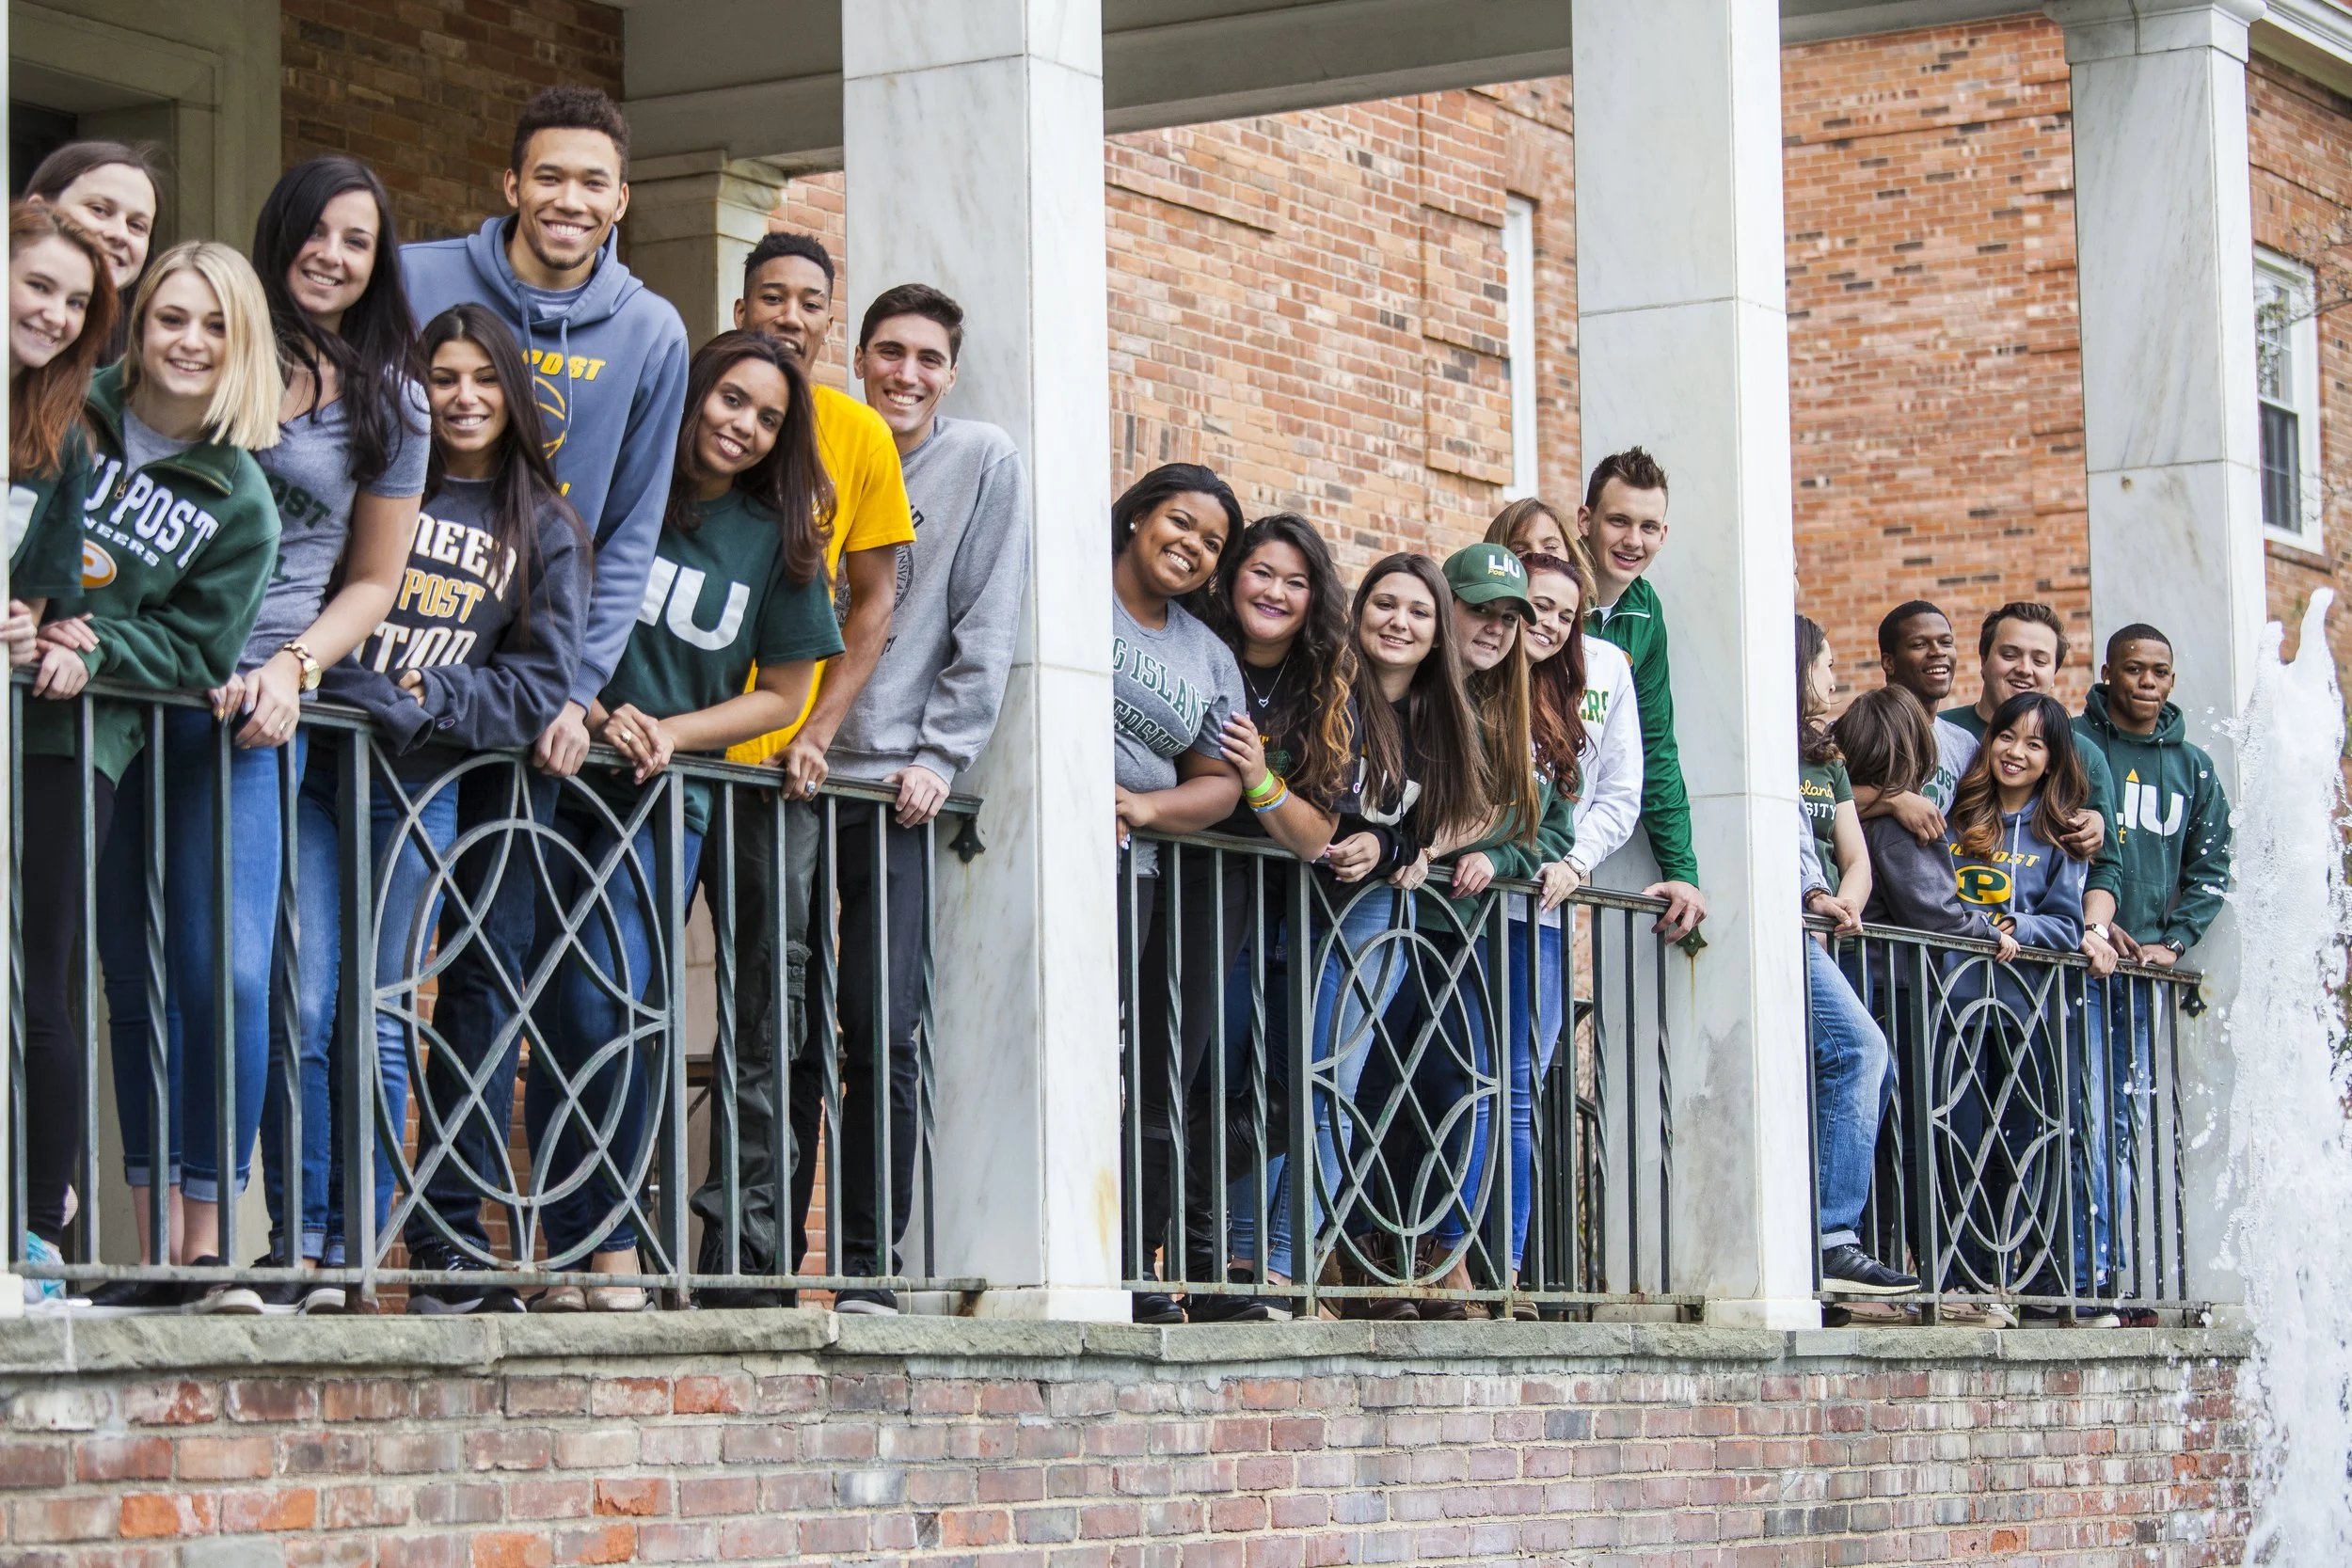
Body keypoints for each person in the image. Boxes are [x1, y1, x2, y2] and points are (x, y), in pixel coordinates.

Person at [398, 86, 691, 1294]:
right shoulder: (414, 281)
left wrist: (567, 691)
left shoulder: (654, 333)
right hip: (395, 679)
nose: (570, 200)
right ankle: (335, 1233)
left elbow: (625, 530)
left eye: (594, 184)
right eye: (549, 177)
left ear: (621, 201)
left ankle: (455, 1237)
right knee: (346, 972)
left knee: (490, 971)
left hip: (532, 711)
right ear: (511, 184)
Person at [698, 283, 1025, 1313]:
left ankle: (870, 1265)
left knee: (879, 1029)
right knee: (777, 1024)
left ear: (950, 373)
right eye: (891, 352)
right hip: (780, 771)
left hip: (891, 789)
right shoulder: (798, 436)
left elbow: (986, 617)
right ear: (859, 354)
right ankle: (759, 1262)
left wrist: (944, 752)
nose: (906, 374)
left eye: (928, 358)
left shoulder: (981, 463)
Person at [534, 331, 843, 1312]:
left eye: (767, 418)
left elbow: (782, 694)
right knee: (540, 1003)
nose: (743, 426)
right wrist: (591, 708)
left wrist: (669, 731)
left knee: (614, 1006)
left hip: (667, 802)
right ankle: (562, 1244)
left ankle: (611, 1243)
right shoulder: (618, 487)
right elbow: (541, 615)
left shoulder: (775, 534)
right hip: (551, 771)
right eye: (730, 399)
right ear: (693, 388)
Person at [302, 304, 592, 1316]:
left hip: (422, 783)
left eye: (481, 378)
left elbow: (540, 680)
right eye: (442, 377)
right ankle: (308, 1239)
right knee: (302, 1002)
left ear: (512, 392)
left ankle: (365, 1247)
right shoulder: (382, 482)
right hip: (315, 761)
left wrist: (435, 697)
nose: (462, 397)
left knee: (379, 1008)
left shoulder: (540, 524)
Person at [37, 244, 283, 1311]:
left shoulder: (241, 501)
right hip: (21, 691)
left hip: (93, 741)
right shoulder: (62, 407)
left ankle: (59, 1234)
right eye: (169, 317)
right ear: (134, 325)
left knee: (70, 978)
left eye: (213, 326)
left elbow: (198, 649)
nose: (187, 341)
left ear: (242, 347)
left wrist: (97, 646)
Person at [230, 157, 430, 1309]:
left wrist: (294, 668)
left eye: (358, 240)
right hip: (166, 686)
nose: (334, 255)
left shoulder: (389, 400)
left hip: (286, 710)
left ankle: (302, 1240)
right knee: (186, 979)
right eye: (317, 230)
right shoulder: (219, 344)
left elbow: (374, 577)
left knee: (297, 991)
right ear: (282, 231)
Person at [702, 233, 915, 1304]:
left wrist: (818, 730)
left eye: (809, 302)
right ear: (742, 302)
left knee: (771, 1012)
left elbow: (872, 601)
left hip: (771, 765)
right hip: (659, 753)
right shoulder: (701, 400)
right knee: (628, 993)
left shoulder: (856, 432)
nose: (790, 314)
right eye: (772, 296)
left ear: (830, 321)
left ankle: (751, 1257)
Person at [1252, 554, 1487, 1323]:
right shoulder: (1329, 690)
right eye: (1384, 603)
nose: (1400, 620)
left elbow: (1469, 811)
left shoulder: (1439, 721)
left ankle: (1286, 1265)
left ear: (1435, 635)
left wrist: (1402, 851)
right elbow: (1318, 793)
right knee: (1270, 1082)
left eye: (1419, 612)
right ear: (1359, 613)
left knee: (1333, 1084)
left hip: (1367, 911)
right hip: (1285, 899)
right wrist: (1381, 845)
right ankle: (1246, 1258)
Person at [1187, 511, 1356, 1323]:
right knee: (1192, 1075)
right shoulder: (1192, 644)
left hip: (1279, 914)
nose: (1277, 592)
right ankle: (1191, 1258)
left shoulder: (1322, 685)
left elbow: (1316, 833)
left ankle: (1229, 1264)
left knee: (1270, 1090)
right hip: (1183, 886)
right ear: (1233, 576)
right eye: (1262, 572)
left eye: (1295, 581)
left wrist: (1257, 778)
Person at [1105, 464, 1248, 1323]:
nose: (1191, 546)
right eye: (1180, 522)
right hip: (1039, 851)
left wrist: (1145, 805)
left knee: (1137, 1071)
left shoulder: (1206, 652)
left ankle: (1131, 1256)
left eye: (1211, 542)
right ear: (1137, 518)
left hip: (1138, 870)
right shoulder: (1071, 588)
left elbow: (1222, 785)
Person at [8, 199, 118, 1302]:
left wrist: (24, 620)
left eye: (76, 302)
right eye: (36, 286)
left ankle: (36, 1227)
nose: (54, 313)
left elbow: (38, 590)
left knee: (39, 974)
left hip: (14, 733)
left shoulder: (60, 438)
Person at [2071, 624, 2232, 1313]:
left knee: (2122, 1121)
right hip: (2074, 962)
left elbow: (2213, 865)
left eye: (2159, 671)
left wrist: (2175, 940)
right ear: (2107, 672)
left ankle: (2110, 1269)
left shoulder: (2192, 767)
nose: (2146, 681)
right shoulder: (2076, 743)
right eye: (2133, 668)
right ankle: (2082, 1272)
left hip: (2138, 980)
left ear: (2171, 680)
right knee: (2078, 1116)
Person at [1794, 616, 1912, 1298]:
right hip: (1788, 925)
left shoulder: (1826, 758)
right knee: (1861, 1051)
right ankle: (1832, 1237)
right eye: (1826, 662)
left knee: (1875, 1066)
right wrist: (1814, 897)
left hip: (1822, 931)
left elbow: (1854, 855)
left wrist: (1847, 901)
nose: (1834, 677)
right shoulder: (1764, 744)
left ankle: (1829, 1229)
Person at [1942, 603, 2119, 974]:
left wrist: (2088, 929)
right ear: (1984, 659)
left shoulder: (2083, 754)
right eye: (2010, 654)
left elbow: (2106, 865)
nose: (2025, 668)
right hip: (1941, 967)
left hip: (2031, 978)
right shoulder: (1939, 733)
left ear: (2055, 672)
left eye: (2040, 659)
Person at [1575, 448, 1704, 940]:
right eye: (1619, 521)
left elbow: (1654, 746)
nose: (1633, 541)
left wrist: (1682, 874)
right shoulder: (1547, 592)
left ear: (1664, 534)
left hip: (1564, 861)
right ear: (1585, 520)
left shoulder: (1646, 612)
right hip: (1488, 854)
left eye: (1649, 527)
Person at [1488, 498, 1642, 892]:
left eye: (1550, 548)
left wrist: (1573, 861)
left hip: (1545, 894)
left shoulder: (1605, 665)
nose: (1539, 559)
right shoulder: (1477, 661)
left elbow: (1619, 791)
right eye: (1521, 552)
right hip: (1468, 888)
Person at [24, 141, 160, 356]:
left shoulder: (139, 355)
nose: (120, 234)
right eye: (99, 209)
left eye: (136, 225)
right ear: (37, 211)